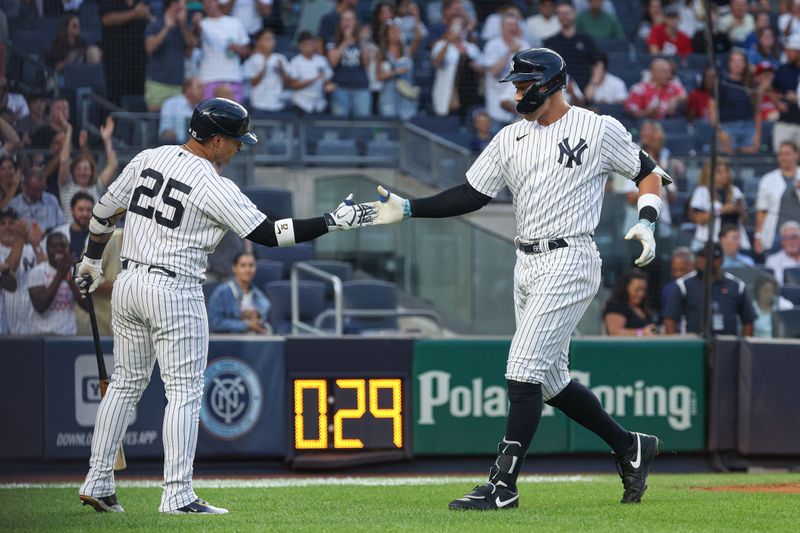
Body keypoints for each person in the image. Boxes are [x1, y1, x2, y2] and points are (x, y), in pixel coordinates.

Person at [366, 48, 670, 509]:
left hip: (571, 256)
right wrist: (411, 208)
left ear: (551, 83)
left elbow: (649, 174)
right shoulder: (511, 137)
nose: (517, 91)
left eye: (525, 84)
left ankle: (502, 485)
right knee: (549, 382)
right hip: (525, 262)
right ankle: (630, 446)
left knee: (521, 370)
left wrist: (647, 220)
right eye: (515, 84)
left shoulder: (597, 127)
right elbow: (471, 194)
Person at [74, 97, 383, 514]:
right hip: (174, 287)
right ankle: (178, 495)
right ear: (215, 139)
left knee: (126, 382)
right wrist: (331, 221)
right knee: (184, 391)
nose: (240, 148)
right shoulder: (212, 183)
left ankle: (98, 479)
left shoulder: (149, 157)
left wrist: (92, 260)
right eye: (236, 141)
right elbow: (271, 234)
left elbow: (102, 213)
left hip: (129, 281)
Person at [663, 244, 755, 336]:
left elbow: (748, 320)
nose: (701, 261)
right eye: (700, 256)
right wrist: (677, 347)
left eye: (706, 257)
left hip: (727, 345)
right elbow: (670, 318)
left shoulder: (736, 285)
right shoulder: (683, 284)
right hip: (694, 344)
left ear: (720, 261)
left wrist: (743, 347)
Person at [57, 117, 117, 224]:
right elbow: (64, 160)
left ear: (92, 171)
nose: (82, 172)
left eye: (86, 169)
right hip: (70, 234)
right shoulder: (66, 185)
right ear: (73, 171)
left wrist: (107, 139)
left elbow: (112, 165)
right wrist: (69, 132)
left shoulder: (96, 186)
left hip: (91, 235)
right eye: (79, 169)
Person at [28, 231, 89, 334]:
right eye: (54, 246)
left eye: (62, 246)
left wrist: (70, 282)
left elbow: (87, 306)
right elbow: (40, 306)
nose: (59, 249)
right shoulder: (37, 272)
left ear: (68, 249)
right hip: (43, 334)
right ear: (47, 249)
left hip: (68, 334)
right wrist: (60, 274)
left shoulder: (75, 272)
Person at [144, 0, 198, 112]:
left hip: (177, 84)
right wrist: (167, 28)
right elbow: (150, 48)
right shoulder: (155, 25)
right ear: (170, 6)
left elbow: (192, 43)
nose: (180, 12)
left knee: (175, 121)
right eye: (178, 8)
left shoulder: (182, 28)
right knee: (155, 119)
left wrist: (183, 25)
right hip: (157, 83)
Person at [481, 11, 530, 130]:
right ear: (502, 28)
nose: (512, 29)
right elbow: (494, 71)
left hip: (516, 109)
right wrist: (509, 51)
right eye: (509, 25)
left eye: (515, 25)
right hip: (495, 108)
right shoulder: (492, 45)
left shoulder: (524, 46)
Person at [688, 158, 749, 252]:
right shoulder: (702, 191)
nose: (724, 175)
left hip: (734, 244)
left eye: (726, 171)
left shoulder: (735, 191)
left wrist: (739, 210)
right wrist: (721, 210)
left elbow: (745, 220)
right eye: (719, 172)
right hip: (708, 242)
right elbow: (698, 218)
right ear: (710, 173)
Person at [195, 0, 251, 102]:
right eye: (205, 2)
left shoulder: (235, 22)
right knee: (208, 115)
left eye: (210, 1)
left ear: (218, 2)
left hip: (233, 77)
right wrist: (195, 25)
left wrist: (237, 48)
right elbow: (194, 40)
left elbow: (246, 51)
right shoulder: (201, 23)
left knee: (234, 115)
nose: (208, 4)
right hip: (208, 78)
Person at [0, 209, 44, 335]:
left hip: (32, 323)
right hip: (6, 321)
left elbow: (46, 273)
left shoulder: (31, 249)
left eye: (11, 223)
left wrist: (36, 245)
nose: (8, 227)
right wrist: (20, 238)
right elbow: (8, 271)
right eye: (3, 223)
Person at [430, 13, 482, 117]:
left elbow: (481, 69)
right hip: (447, 92)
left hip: (468, 92)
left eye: (460, 26)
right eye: (454, 26)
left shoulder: (471, 48)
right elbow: (436, 62)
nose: (457, 29)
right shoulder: (440, 45)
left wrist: (467, 57)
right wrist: (447, 42)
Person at [100, 0, 151, 106]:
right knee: (114, 99)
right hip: (116, 59)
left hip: (138, 59)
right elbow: (106, 19)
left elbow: (151, 19)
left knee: (137, 99)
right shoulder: (109, 2)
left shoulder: (142, 2)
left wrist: (147, 15)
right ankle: (112, 122)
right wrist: (135, 13)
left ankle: (135, 122)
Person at [208, 252, 271, 333]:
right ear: (234, 268)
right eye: (243, 265)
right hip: (229, 342)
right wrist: (246, 325)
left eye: (251, 265)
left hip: (254, 341)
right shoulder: (221, 292)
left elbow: (264, 321)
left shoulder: (260, 296)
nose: (248, 269)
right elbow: (214, 323)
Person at [326, 9, 372, 118]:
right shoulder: (333, 41)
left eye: (350, 19)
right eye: (345, 19)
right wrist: (345, 41)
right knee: (340, 124)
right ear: (340, 22)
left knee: (362, 123)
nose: (348, 22)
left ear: (355, 22)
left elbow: (367, 62)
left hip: (361, 88)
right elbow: (333, 62)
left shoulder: (363, 41)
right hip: (340, 88)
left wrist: (362, 42)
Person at [756, 142, 800, 255]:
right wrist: (758, 236)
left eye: (787, 153)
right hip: (775, 235)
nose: (784, 157)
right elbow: (761, 211)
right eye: (781, 154)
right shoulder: (768, 179)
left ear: (797, 155)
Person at [713, 49, 760, 154]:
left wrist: (757, 134)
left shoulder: (752, 84)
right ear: (729, 63)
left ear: (745, 64)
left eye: (740, 61)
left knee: (749, 165)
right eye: (734, 61)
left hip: (749, 128)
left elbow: (757, 111)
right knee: (727, 162)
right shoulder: (721, 84)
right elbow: (713, 110)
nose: (737, 64)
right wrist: (720, 131)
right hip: (727, 128)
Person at [544, 3, 596, 90]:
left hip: (585, 87)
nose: (564, 16)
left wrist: (593, 85)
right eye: (561, 13)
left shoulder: (586, 40)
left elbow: (597, 63)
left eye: (567, 13)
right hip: (559, 89)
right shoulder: (550, 43)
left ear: (574, 14)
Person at [375, 18, 420, 120]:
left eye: (397, 30)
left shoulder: (407, 52)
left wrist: (415, 16)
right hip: (388, 96)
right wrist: (396, 71)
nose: (396, 33)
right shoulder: (381, 53)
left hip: (406, 97)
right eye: (392, 30)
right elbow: (379, 76)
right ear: (386, 34)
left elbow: (418, 37)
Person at [244, 28, 292, 116]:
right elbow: (253, 83)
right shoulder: (252, 59)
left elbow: (287, 84)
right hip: (258, 104)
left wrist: (281, 69)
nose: (271, 42)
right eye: (267, 39)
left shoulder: (280, 58)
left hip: (277, 103)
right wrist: (265, 66)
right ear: (258, 42)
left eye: (272, 39)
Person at [287, 31, 334, 115]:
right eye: (305, 44)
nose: (308, 47)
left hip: (319, 104)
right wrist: (314, 79)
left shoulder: (322, 60)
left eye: (310, 44)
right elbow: (294, 85)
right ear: (300, 46)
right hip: (301, 104)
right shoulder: (295, 62)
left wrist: (328, 86)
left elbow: (327, 80)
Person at [8, 167, 64, 233]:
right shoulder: (14, 205)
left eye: (41, 190)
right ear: (24, 186)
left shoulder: (51, 199)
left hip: (51, 240)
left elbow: (62, 225)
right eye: (34, 190)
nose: (38, 194)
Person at [769, 34, 800, 152]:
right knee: (782, 155)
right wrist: (778, 103)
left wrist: (797, 98)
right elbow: (772, 89)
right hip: (785, 121)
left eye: (790, 51)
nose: (787, 53)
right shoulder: (783, 69)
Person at [602, 269, 656, 336]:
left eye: (643, 290)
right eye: (637, 290)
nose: (641, 294)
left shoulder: (642, 308)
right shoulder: (616, 307)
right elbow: (615, 333)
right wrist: (641, 333)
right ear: (625, 288)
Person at [159, 78, 205, 143]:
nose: (203, 91)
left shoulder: (204, 107)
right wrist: (169, 133)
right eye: (200, 87)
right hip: (175, 147)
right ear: (188, 89)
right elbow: (165, 131)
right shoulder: (171, 104)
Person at [54, 191, 94, 260]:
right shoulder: (59, 232)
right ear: (72, 210)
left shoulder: (98, 235)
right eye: (81, 209)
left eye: (89, 210)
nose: (85, 214)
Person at [659, 246, 694, 314]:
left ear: (692, 267)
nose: (677, 274)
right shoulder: (668, 290)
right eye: (674, 270)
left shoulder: (701, 288)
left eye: (682, 270)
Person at [765, 221, 800, 285]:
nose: (791, 242)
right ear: (782, 241)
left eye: (794, 237)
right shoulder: (773, 260)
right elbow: (776, 286)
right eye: (787, 238)